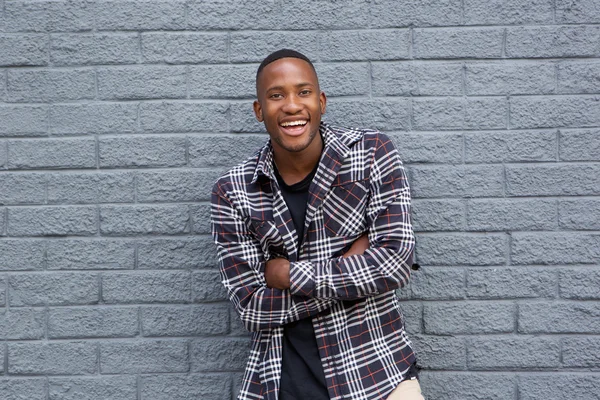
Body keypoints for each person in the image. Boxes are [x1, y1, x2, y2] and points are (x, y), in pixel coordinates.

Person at [211, 49, 424, 400]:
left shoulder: (372, 153)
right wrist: (350, 272)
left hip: (380, 378)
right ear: (259, 110)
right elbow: (251, 306)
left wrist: (286, 275)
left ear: (321, 101)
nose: (292, 105)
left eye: (303, 92)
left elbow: (395, 265)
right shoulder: (233, 191)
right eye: (276, 95)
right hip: (279, 385)